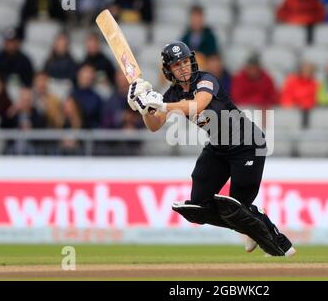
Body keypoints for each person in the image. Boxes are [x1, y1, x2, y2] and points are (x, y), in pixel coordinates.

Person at [126, 41, 295, 257]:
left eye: (185, 61)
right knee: (198, 206)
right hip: (218, 148)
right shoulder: (173, 93)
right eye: (177, 65)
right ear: (169, 70)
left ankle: (272, 236)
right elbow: (154, 125)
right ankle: (250, 225)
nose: (183, 67)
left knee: (237, 208)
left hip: (248, 145)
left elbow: (197, 104)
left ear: (192, 61)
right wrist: (143, 108)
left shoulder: (206, 79)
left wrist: (161, 104)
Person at [280, 62, 318, 128]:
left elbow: (315, 99)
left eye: (309, 71)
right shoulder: (291, 81)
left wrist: (304, 105)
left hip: (307, 112)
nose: (307, 73)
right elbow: (286, 97)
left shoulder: (315, 84)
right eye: (305, 70)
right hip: (292, 112)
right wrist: (292, 105)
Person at [71, 64, 103, 129]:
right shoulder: (72, 94)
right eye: (85, 76)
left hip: (91, 131)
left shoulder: (96, 98)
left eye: (88, 77)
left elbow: (90, 114)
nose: (87, 79)